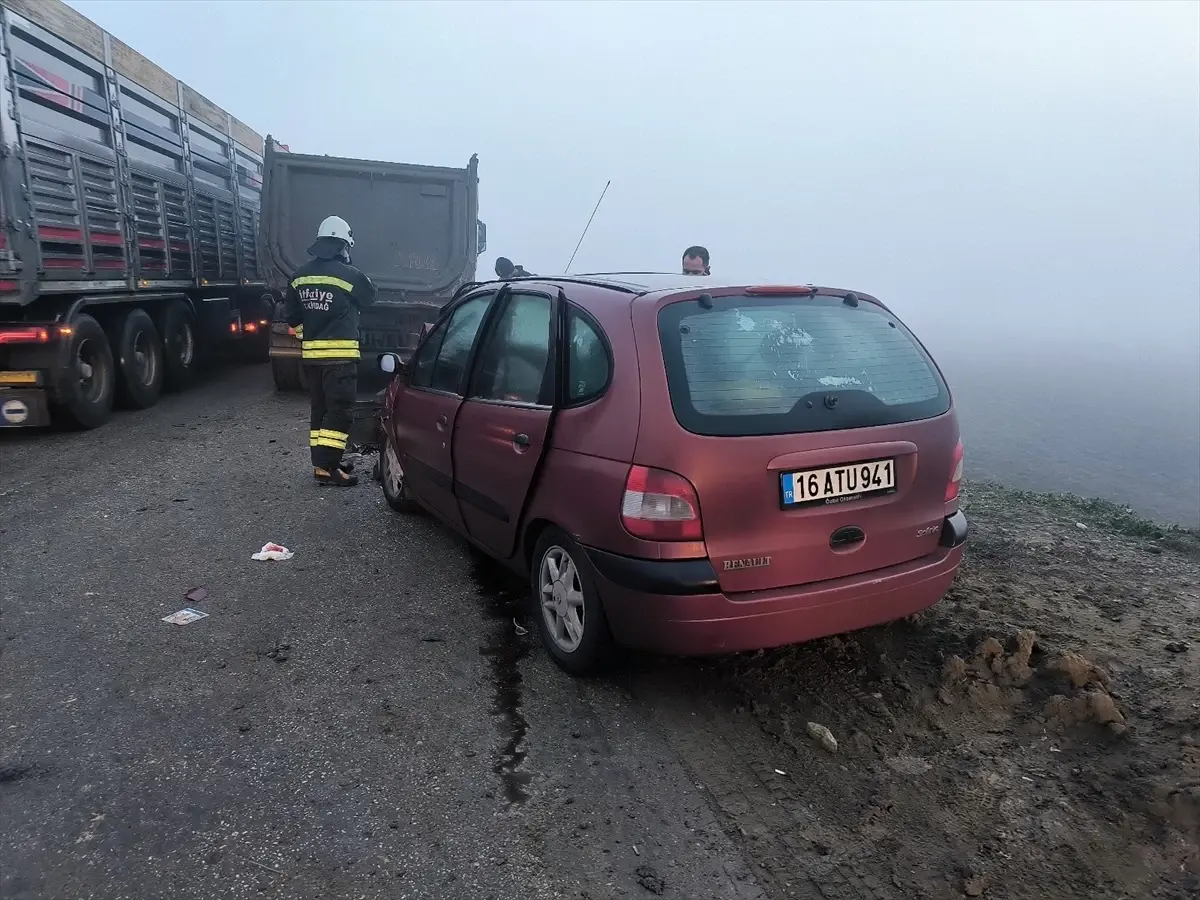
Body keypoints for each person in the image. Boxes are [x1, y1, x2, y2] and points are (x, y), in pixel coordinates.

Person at [284, 215, 377, 487]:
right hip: (340, 359)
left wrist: (308, 339)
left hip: (312, 360)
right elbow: (370, 297)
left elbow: (292, 318)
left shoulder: (299, 275)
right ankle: (328, 467)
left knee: (321, 410)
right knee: (340, 411)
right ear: (342, 246)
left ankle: (325, 462)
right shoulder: (350, 275)